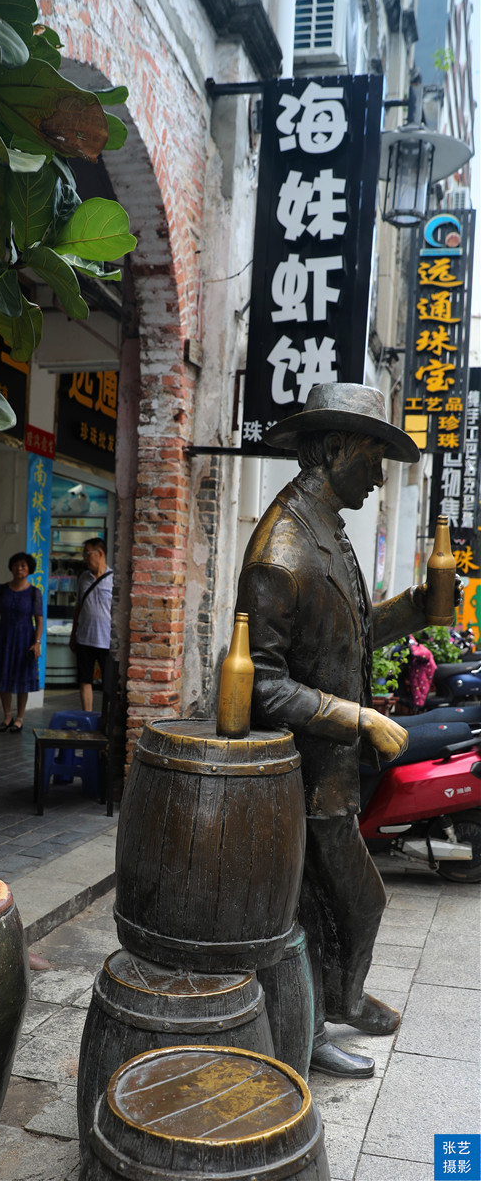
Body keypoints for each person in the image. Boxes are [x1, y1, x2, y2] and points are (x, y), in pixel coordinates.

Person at [236, 383, 456, 1079]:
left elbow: (348, 636)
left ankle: (332, 1004)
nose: (380, 473)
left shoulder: (324, 527)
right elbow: (262, 685)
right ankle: (315, 1024)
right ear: (333, 450)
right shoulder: (282, 551)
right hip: (294, 773)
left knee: (336, 902)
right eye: (372, 456)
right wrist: (361, 717)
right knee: (340, 903)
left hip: (329, 769)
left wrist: (420, 608)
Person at [0, 552, 44, 732]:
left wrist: (37, 642)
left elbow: (39, 619)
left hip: (24, 640)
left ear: (29, 570)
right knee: (3, 676)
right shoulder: (2, 589)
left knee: (22, 680)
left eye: (23, 566)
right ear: (11, 567)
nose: (19, 569)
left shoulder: (34, 592)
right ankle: (6, 717)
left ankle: (19, 718)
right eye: (16, 565)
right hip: (4, 638)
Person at [70, 538, 113, 713]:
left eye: (87, 554)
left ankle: (107, 718)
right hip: (84, 638)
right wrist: (73, 634)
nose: (85, 558)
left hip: (106, 641)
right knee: (85, 679)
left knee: (108, 683)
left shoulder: (114, 580)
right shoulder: (83, 578)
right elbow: (79, 606)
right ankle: (87, 716)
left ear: (100, 553)